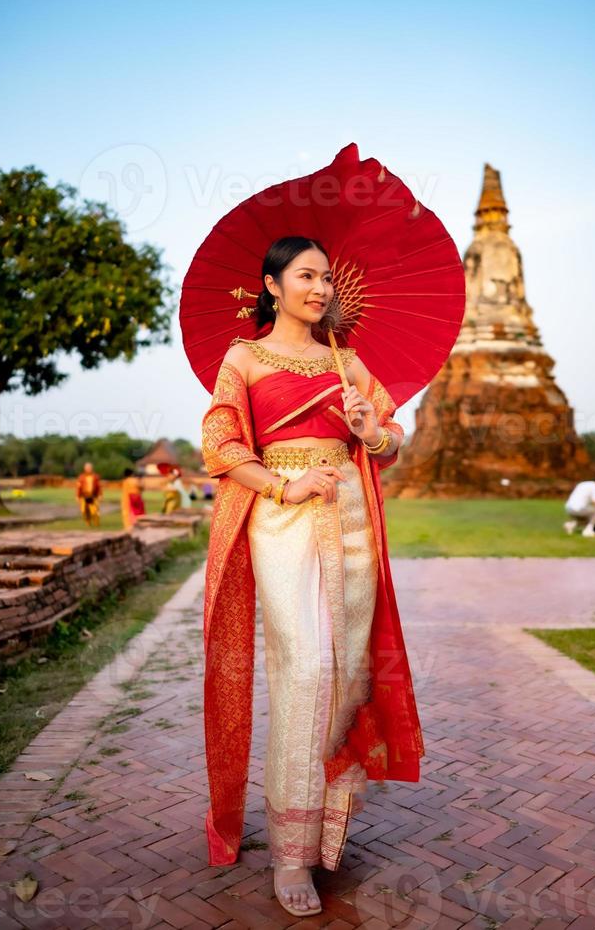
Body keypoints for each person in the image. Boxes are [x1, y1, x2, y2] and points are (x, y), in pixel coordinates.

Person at [201, 236, 425, 918]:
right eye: (305, 276)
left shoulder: (347, 360)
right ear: (271, 285)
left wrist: (369, 429)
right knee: (303, 671)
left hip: (350, 517)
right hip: (283, 520)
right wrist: (282, 486)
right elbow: (219, 443)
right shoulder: (243, 358)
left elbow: (392, 440)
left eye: (326, 277)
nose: (321, 288)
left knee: (347, 671)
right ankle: (290, 853)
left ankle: (331, 829)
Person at [75, 461, 102, 527]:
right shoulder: (81, 477)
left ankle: (96, 524)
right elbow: (78, 487)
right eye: (87, 468)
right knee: (84, 511)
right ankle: (88, 523)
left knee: (94, 512)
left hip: (93, 496)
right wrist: (77, 496)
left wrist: (100, 495)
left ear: (92, 468)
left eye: (89, 468)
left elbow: (99, 487)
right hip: (84, 497)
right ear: (84, 468)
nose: (88, 469)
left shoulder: (96, 477)